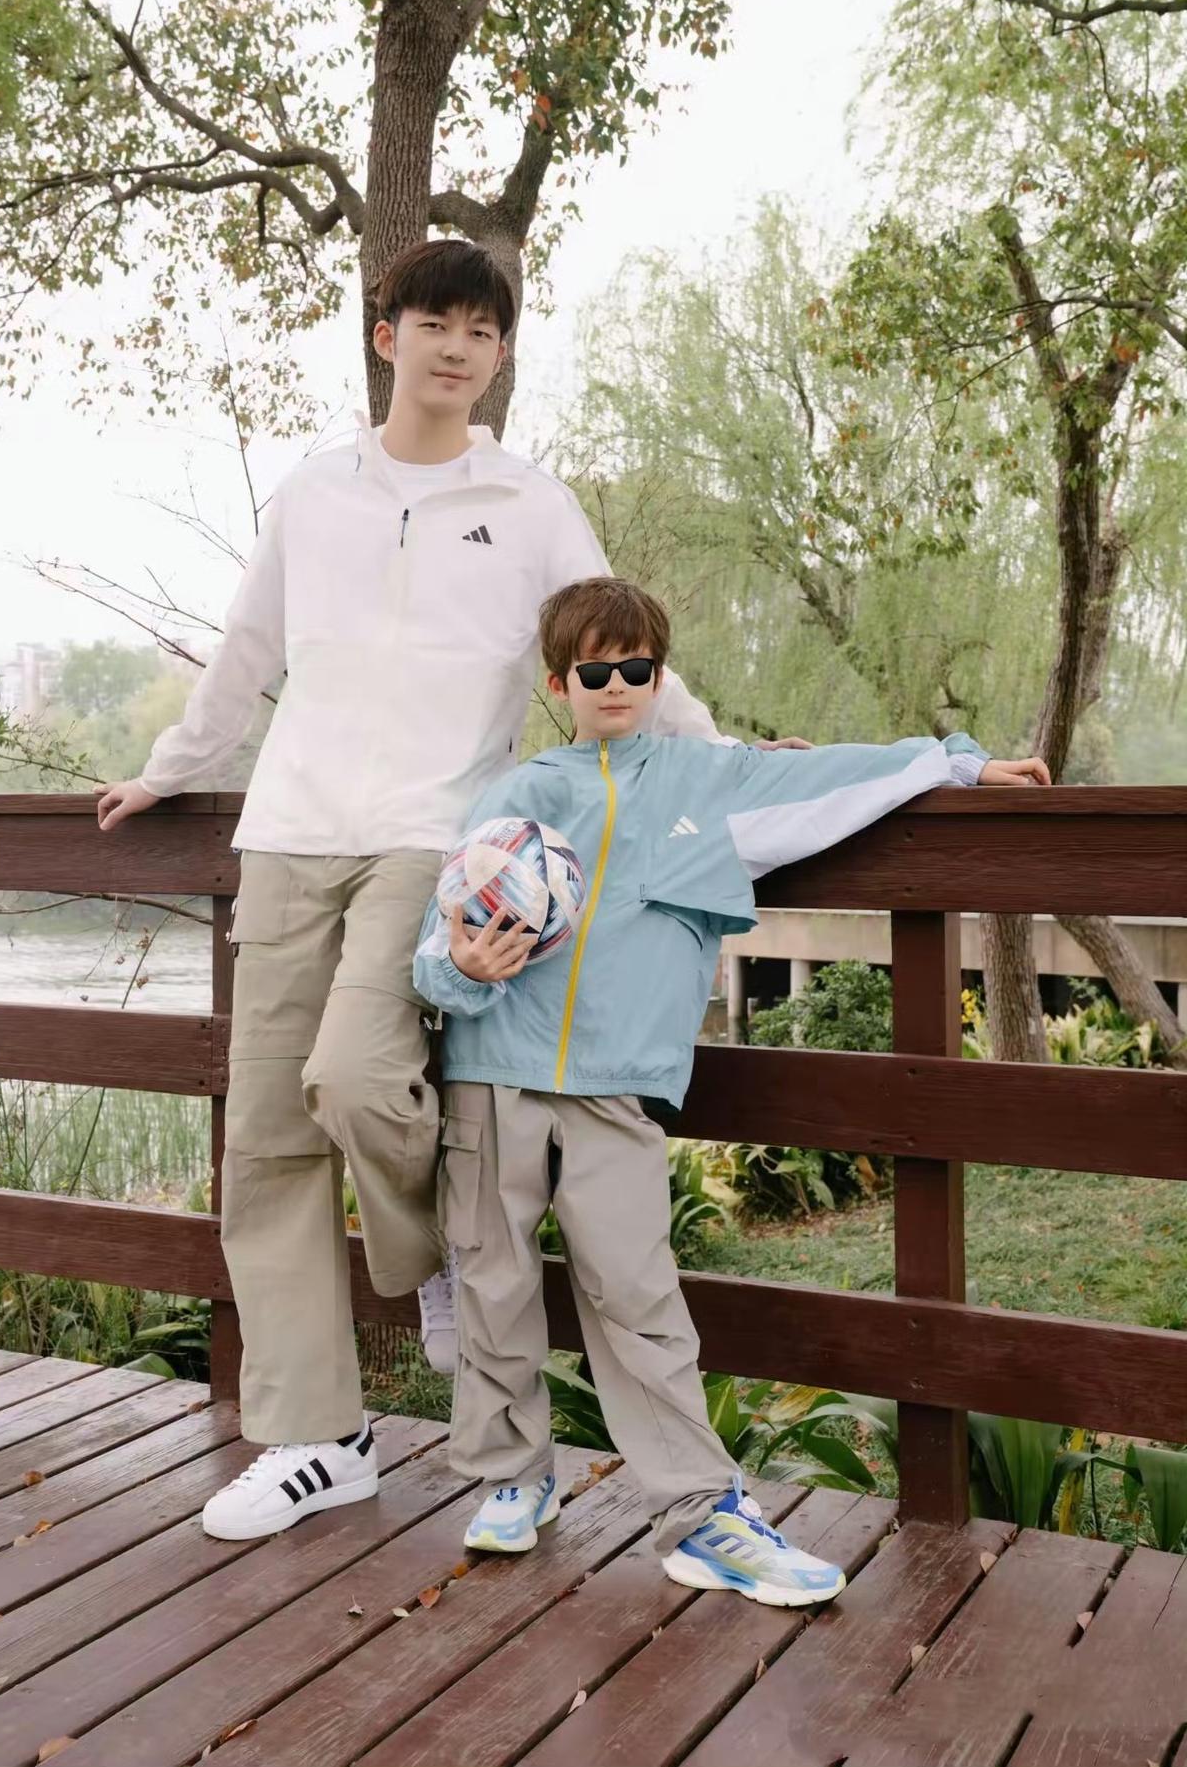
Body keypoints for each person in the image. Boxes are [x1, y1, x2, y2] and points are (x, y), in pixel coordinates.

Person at [92, 241, 760, 1543]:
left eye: (481, 331)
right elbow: (247, 655)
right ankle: (317, 1437)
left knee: (353, 1078)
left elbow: (613, 644)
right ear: (385, 334)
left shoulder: (527, 500)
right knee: (267, 1144)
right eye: (434, 323)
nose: (457, 348)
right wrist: (172, 770)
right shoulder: (313, 492)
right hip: (288, 832)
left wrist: (724, 754)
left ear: (498, 354)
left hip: (434, 837)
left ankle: (443, 1248)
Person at [412, 576, 1049, 1605]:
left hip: (617, 1091)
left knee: (637, 1295)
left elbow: (838, 776)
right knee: (491, 1280)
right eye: (593, 670)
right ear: (557, 684)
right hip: (490, 1077)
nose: (616, 685)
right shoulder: (516, 796)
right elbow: (431, 950)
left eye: (636, 667)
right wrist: (460, 970)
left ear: (659, 676)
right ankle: (510, 1475)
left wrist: (957, 765)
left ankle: (701, 1512)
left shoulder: (709, 779)